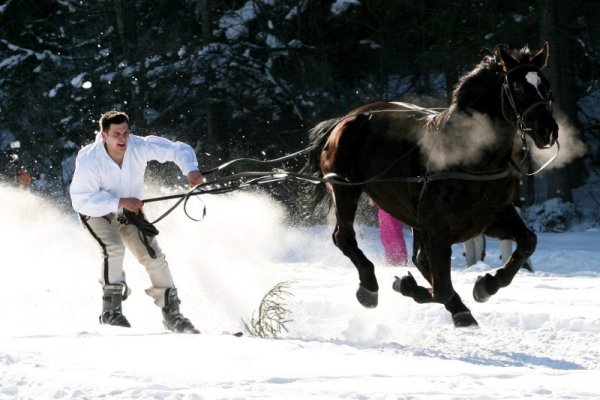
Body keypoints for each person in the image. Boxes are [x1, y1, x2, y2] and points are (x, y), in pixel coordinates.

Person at [70, 110, 204, 333]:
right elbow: (81, 201)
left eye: (125, 133)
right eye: (116, 134)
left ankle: (173, 314)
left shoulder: (139, 146)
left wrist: (190, 169)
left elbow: (176, 149)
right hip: (96, 212)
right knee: (113, 248)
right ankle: (111, 312)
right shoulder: (89, 159)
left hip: (130, 212)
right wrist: (120, 201)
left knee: (153, 255)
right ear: (104, 136)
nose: (122, 139)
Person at [369, 200, 408, 265]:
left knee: (395, 234)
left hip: (393, 210)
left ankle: (401, 258)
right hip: (383, 210)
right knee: (385, 236)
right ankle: (391, 259)